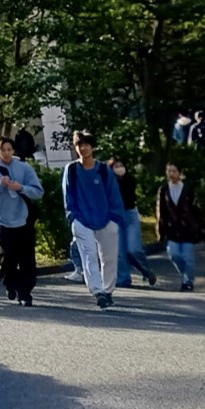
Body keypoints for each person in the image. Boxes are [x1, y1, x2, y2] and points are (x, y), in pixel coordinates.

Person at [0, 138, 45, 306]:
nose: (6, 153)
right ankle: (10, 284)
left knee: (27, 258)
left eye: (9, 149)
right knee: (9, 257)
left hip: (24, 219)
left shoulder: (24, 168)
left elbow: (38, 191)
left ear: (13, 151)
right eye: (3, 150)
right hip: (2, 220)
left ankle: (25, 292)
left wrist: (21, 187)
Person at [63, 131, 123, 309]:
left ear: (93, 147)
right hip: (82, 219)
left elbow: (113, 194)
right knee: (89, 256)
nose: (83, 148)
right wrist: (73, 217)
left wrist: (114, 218)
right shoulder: (72, 170)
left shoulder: (104, 170)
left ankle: (108, 290)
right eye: (79, 145)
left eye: (86, 144)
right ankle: (97, 292)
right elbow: (68, 196)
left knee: (109, 257)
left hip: (106, 218)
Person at [154, 162, 205, 291]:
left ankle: (188, 281)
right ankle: (185, 274)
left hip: (187, 228)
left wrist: (201, 227)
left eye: (174, 171)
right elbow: (160, 210)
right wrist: (160, 229)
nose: (171, 174)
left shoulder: (188, 189)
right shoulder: (163, 189)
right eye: (169, 171)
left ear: (180, 173)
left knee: (188, 257)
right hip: (171, 228)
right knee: (174, 254)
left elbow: (196, 209)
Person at [107, 157, 157, 289]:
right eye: (116, 166)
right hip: (116, 216)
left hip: (130, 214)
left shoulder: (129, 180)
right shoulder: (108, 182)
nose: (119, 168)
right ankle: (123, 280)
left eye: (121, 165)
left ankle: (146, 271)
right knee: (120, 251)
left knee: (133, 249)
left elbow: (127, 197)